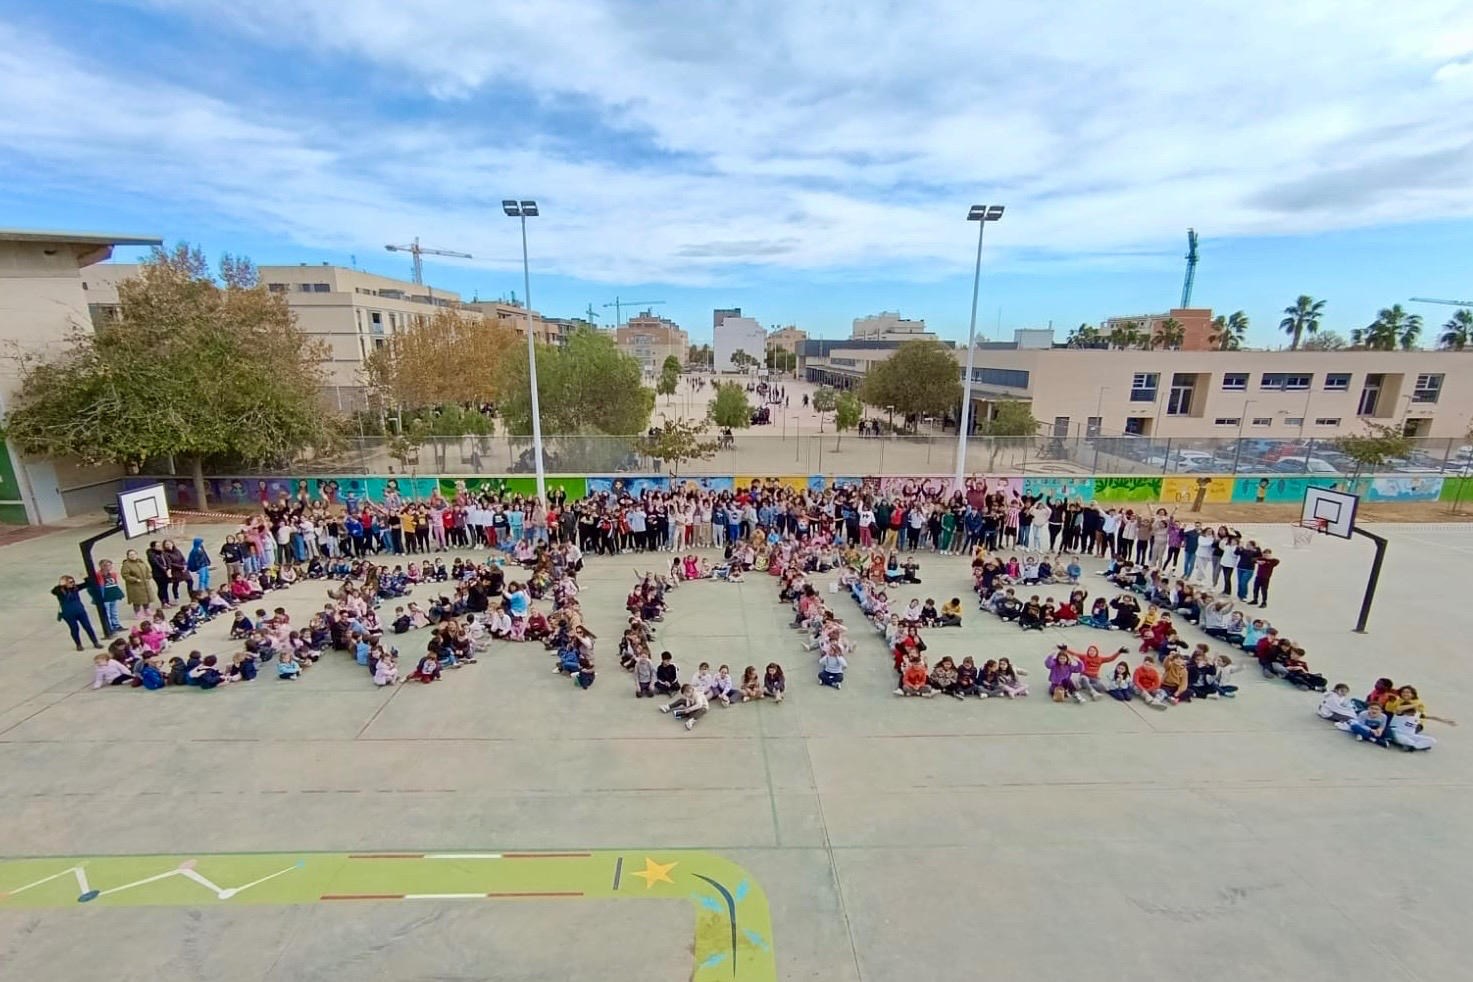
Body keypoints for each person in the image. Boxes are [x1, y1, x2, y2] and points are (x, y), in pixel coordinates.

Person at [52, 575, 101, 651]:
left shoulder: (76, 588)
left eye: (73, 581)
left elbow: (89, 583)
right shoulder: (60, 591)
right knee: (74, 629)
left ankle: (95, 642)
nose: (72, 583)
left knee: (88, 627)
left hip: (80, 611)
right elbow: (53, 591)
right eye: (70, 582)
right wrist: (60, 585)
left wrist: (85, 577)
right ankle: (78, 644)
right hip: (68, 613)